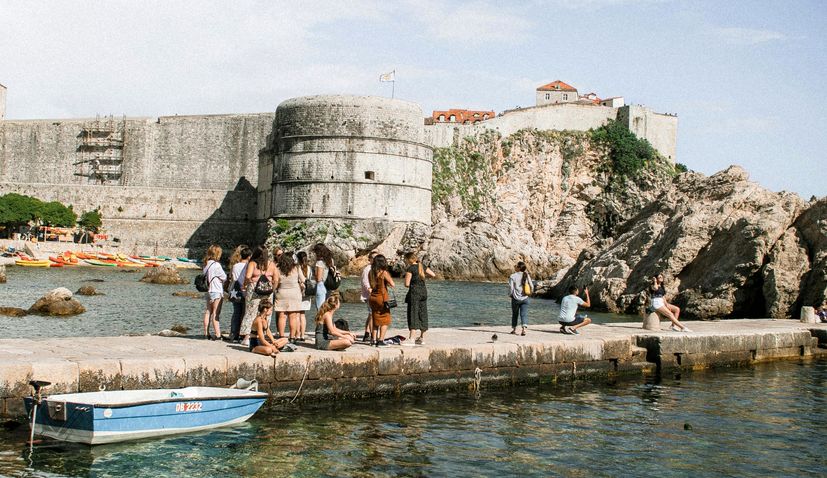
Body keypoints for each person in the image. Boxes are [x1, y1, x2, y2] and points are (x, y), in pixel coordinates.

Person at [239, 245, 276, 346]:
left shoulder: (253, 263)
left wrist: (246, 284)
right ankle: (262, 336)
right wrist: (273, 288)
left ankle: (247, 337)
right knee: (265, 312)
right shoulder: (271, 264)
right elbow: (276, 279)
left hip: (254, 289)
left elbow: (247, 276)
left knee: (251, 312)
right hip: (267, 290)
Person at [273, 251, 306, 342]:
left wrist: (273, 290)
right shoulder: (296, 267)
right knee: (293, 316)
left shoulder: (278, 268)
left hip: (281, 293)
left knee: (282, 316)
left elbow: (276, 281)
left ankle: (282, 336)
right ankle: (292, 337)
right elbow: (303, 279)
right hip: (295, 293)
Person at [404, 252, 436, 344]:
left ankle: (412, 338)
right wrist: (422, 277)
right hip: (423, 292)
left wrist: (412, 281)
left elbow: (406, 284)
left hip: (414, 293)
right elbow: (433, 275)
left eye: (405, 259)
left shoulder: (410, 269)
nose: (404, 261)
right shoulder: (421, 266)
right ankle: (422, 338)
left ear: (409, 259)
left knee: (413, 313)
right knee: (423, 313)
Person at [368, 254, 395, 346]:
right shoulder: (384, 273)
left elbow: (371, 285)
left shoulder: (371, 273)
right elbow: (393, 284)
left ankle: (373, 340)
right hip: (381, 298)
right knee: (385, 319)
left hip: (372, 297)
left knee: (375, 318)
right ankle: (381, 340)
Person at [201, 244, 226, 340]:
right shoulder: (217, 265)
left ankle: (206, 333)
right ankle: (218, 334)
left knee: (208, 312)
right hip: (216, 290)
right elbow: (224, 277)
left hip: (208, 291)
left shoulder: (206, 264)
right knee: (216, 313)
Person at [228, 245, 251, 342]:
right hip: (245, 291)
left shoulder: (235, 266)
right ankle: (243, 334)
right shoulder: (249, 266)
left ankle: (234, 333)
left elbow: (232, 278)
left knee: (236, 312)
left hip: (235, 291)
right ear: (249, 256)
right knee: (245, 313)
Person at [508, 261, 533, 336]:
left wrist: (510, 295)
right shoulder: (526, 275)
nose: (515, 267)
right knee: (524, 314)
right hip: (525, 298)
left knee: (515, 314)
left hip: (515, 298)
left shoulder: (512, 276)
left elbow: (511, 288)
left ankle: (514, 329)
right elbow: (532, 285)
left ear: (519, 268)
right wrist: (530, 293)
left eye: (516, 266)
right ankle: (524, 330)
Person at [360, 250, 378, 342]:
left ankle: (367, 333)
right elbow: (365, 281)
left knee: (370, 315)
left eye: (377, 257)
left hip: (373, 294)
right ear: (370, 259)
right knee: (372, 314)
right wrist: (370, 290)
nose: (375, 259)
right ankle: (372, 336)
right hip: (369, 295)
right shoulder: (368, 269)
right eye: (373, 258)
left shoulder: (375, 268)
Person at [296, 251, 313, 339]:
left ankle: (297, 334)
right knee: (303, 315)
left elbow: (298, 279)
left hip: (298, 292)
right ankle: (302, 335)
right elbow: (309, 279)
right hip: (307, 293)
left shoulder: (297, 267)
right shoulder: (309, 268)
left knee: (297, 315)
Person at [312, 243, 335, 309]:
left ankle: (320, 320)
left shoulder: (320, 262)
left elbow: (319, 278)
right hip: (328, 285)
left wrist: (314, 275)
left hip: (321, 285)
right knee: (327, 309)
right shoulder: (330, 260)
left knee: (320, 310)